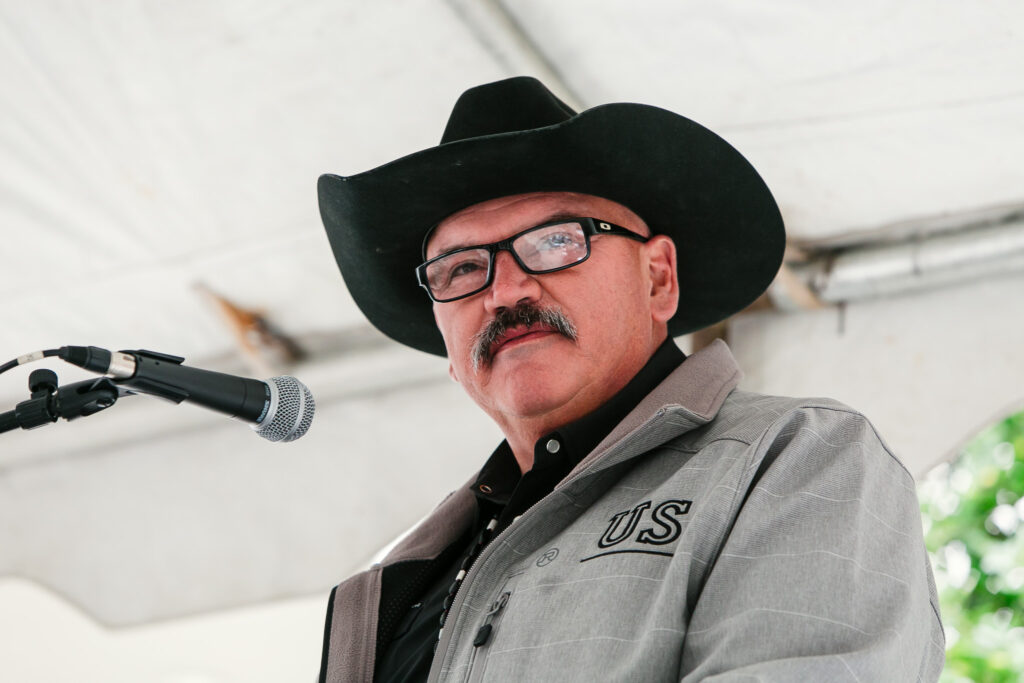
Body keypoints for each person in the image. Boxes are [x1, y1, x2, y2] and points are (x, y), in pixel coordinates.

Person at [315, 77, 944, 682]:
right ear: (448, 350)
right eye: (459, 270)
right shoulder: (397, 589)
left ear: (658, 278)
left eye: (556, 242)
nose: (505, 291)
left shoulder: (797, 457)